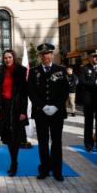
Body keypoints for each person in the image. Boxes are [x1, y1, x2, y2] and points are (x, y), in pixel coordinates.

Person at [28, 43, 69, 182]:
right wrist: (44, 106)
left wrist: (56, 106)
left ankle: (57, 171)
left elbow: (65, 91)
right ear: (40, 56)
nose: (46, 56)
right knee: (43, 142)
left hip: (57, 113)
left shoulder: (61, 70)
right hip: (41, 112)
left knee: (57, 142)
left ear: (52, 55)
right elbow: (31, 92)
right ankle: (44, 169)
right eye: (43, 54)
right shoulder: (34, 71)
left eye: (48, 53)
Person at [0, 49, 28, 177]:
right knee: (8, 138)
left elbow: (24, 94)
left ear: (13, 58)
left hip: (17, 107)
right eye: (5, 58)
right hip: (4, 106)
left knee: (15, 138)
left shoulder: (21, 71)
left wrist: (23, 111)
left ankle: (14, 164)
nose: (7, 60)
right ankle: (13, 161)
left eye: (9, 57)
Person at [79, 49, 97, 152]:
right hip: (89, 100)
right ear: (89, 57)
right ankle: (88, 143)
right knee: (88, 123)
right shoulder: (84, 68)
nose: (96, 58)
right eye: (94, 56)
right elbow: (82, 82)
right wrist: (94, 84)